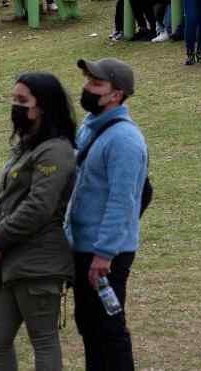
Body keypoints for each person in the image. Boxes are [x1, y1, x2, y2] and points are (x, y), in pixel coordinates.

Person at [0, 73, 77, 371]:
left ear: (43, 106)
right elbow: (7, 195)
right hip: (8, 259)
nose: (15, 106)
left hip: (38, 262)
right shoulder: (27, 145)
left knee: (43, 339)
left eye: (22, 101)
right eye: (14, 99)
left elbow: (39, 206)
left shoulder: (56, 149)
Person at [68, 58, 149, 370]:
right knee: (89, 326)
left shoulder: (125, 140)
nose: (86, 88)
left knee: (109, 332)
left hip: (105, 255)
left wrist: (104, 255)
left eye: (95, 83)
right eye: (88, 80)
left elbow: (123, 202)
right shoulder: (90, 125)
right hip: (83, 246)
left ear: (117, 94)